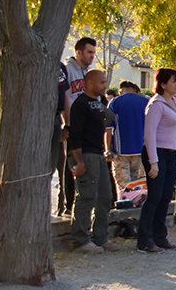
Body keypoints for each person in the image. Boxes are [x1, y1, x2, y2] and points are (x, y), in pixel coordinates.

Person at [68, 69, 119, 254]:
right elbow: (75, 134)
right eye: (101, 83)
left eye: (105, 82)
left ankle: (100, 237)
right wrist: (79, 161)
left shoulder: (99, 103)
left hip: (98, 154)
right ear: (89, 83)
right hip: (86, 154)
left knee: (105, 197)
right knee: (87, 196)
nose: (105, 86)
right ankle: (80, 240)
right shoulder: (80, 104)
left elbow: (109, 121)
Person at [138, 68, 176, 254]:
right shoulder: (156, 104)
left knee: (166, 196)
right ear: (163, 84)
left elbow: (175, 132)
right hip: (155, 153)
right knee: (155, 196)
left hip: (170, 153)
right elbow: (149, 134)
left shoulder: (173, 102)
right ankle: (145, 240)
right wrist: (153, 161)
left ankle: (159, 236)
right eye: (174, 81)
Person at [61, 37, 97, 218]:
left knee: (88, 164)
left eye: (94, 53)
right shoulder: (67, 70)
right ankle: (68, 206)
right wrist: (66, 123)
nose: (92, 56)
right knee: (73, 164)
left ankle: (86, 206)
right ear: (78, 52)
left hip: (89, 126)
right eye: (89, 52)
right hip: (74, 125)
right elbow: (65, 98)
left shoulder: (89, 73)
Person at [105, 80, 149, 193]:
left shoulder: (114, 102)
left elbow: (108, 129)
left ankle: (125, 206)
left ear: (120, 91)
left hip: (121, 151)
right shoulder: (146, 102)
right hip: (142, 150)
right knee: (138, 185)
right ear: (135, 90)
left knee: (124, 187)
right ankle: (137, 208)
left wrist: (108, 150)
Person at [53, 62, 69, 216]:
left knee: (59, 167)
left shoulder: (61, 68)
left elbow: (65, 96)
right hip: (40, 117)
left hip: (57, 119)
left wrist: (67, 124)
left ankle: (61, 206)